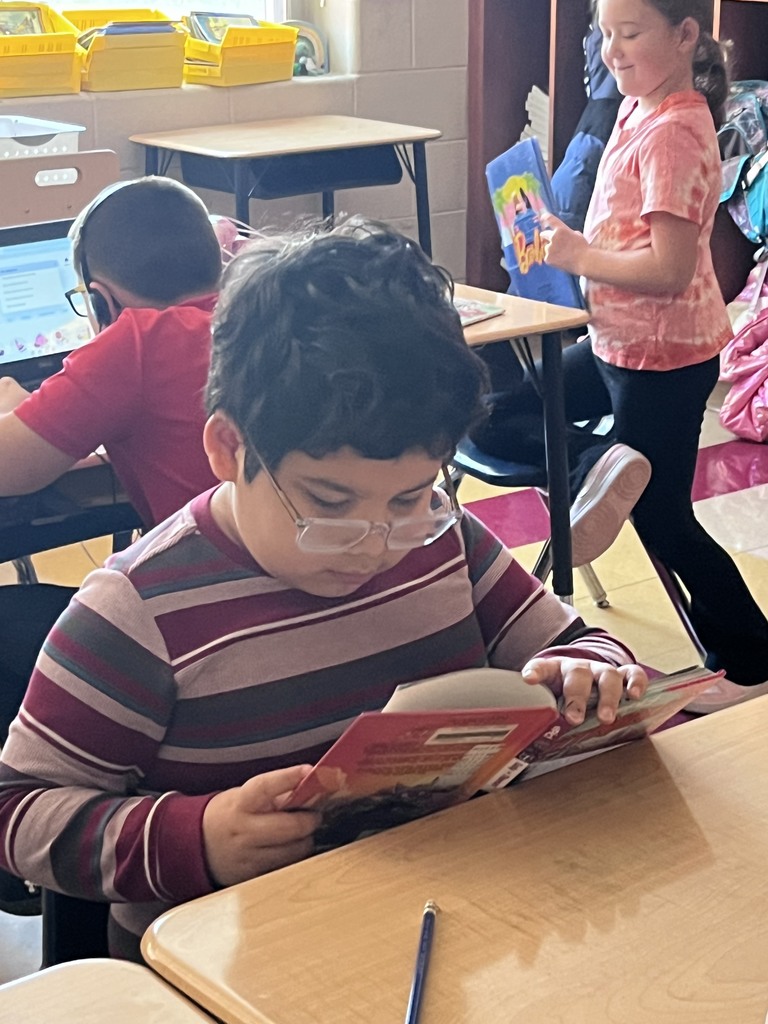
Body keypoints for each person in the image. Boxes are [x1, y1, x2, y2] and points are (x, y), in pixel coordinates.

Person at [0, 220, 648, 961]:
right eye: (329, 504)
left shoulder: (441, 540)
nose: (372, 542)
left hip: (445, 921)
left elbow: (572, 645)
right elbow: (18, 813)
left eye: (406, 496)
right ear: (228, 447)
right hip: (223, 963)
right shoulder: (136, 612)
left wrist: (592, 670)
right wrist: (198, 836)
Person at [536, 0, 768, 712]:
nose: (612, 52)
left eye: (630, 35)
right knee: (514, 409)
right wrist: (551, 232)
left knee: (663, 519)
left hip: (663, 358)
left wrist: (579, 253)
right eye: (604, 35)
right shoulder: (639, 107)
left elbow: (669, 269)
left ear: (685, 35)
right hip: (614, 343)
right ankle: (589, 483)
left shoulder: (674, 129)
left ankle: (752, 658)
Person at [0, 177, 222, 912]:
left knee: (16, 625)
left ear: (98, 299)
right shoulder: (258, 315)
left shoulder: (135, 341)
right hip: (279, 604)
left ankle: (38, 855)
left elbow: (14, 467)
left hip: (198, 629)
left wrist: (14, 403)